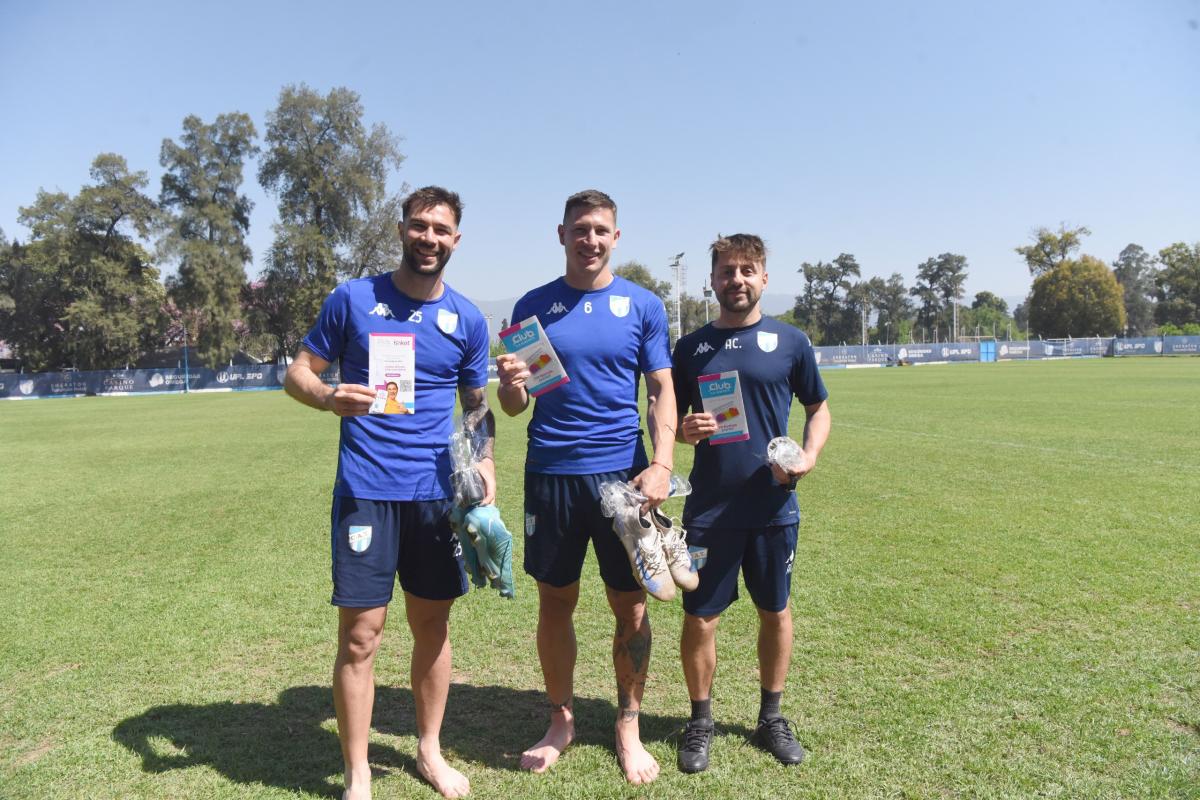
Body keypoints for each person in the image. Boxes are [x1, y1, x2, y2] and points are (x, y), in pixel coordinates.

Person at [284, 186, 493, 800]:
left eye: (442, 229)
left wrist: (486, 479)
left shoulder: (468, 319)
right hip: (366, 492)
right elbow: (298, 371)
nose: (430, 238)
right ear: (401, 228)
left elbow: (477, 411)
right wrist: (326, 396)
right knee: (361, 635)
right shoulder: (352, 299)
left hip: (435, 499)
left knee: (433, 624)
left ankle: (429, 750)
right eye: (420, 225)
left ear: (456, 239)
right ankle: (358, 773)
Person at [496, 189, 675, 785]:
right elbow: (517, 405)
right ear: (562, 234)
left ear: (616, 237)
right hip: (551, 473)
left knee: (631, 604)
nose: (590, 239)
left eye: (601, 230)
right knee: (556, 601)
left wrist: (663, 461)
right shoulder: (534, 306)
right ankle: (561, 719)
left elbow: (659, 390)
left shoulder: (643, 305)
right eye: (580, 229)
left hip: (622, 477)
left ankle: (629, 723)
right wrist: (511, 382)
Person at [670, 233, 831, 774]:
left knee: (775, 612)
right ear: (712, 280)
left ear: (763, 277)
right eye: (727, 270)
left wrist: (807, 456)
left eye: (747, 270)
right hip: (709, 511)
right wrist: (686, 434)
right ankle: (700, 722)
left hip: (772, 507)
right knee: (700, 619)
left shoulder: (790, 341)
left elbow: (819, 408)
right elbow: (670, 420)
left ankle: (771, 718)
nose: (736, 279)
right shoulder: (689, 348)